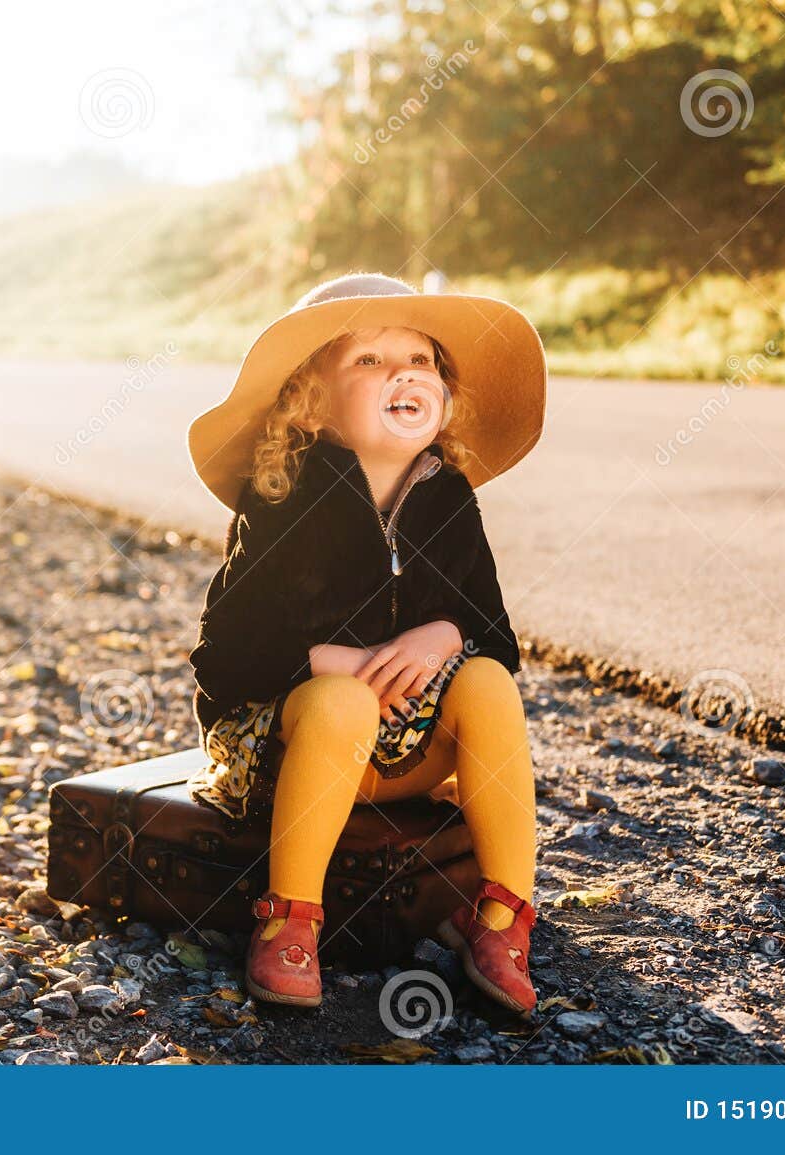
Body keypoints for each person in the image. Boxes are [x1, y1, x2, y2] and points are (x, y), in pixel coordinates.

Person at [184, 271, 550, 1013]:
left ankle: (502, 918)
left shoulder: (448, 496)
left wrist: (448, 632)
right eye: (370, 361)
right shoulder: (284, 497)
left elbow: (499, 638)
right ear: (310, 401)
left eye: (419, 359)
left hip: (402, 751)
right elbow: (223, 654)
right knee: (343, 702)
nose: (402, 373)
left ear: (441, 391)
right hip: (279, 744)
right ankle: (289, 921)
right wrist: (334, 663)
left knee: (486, 682)